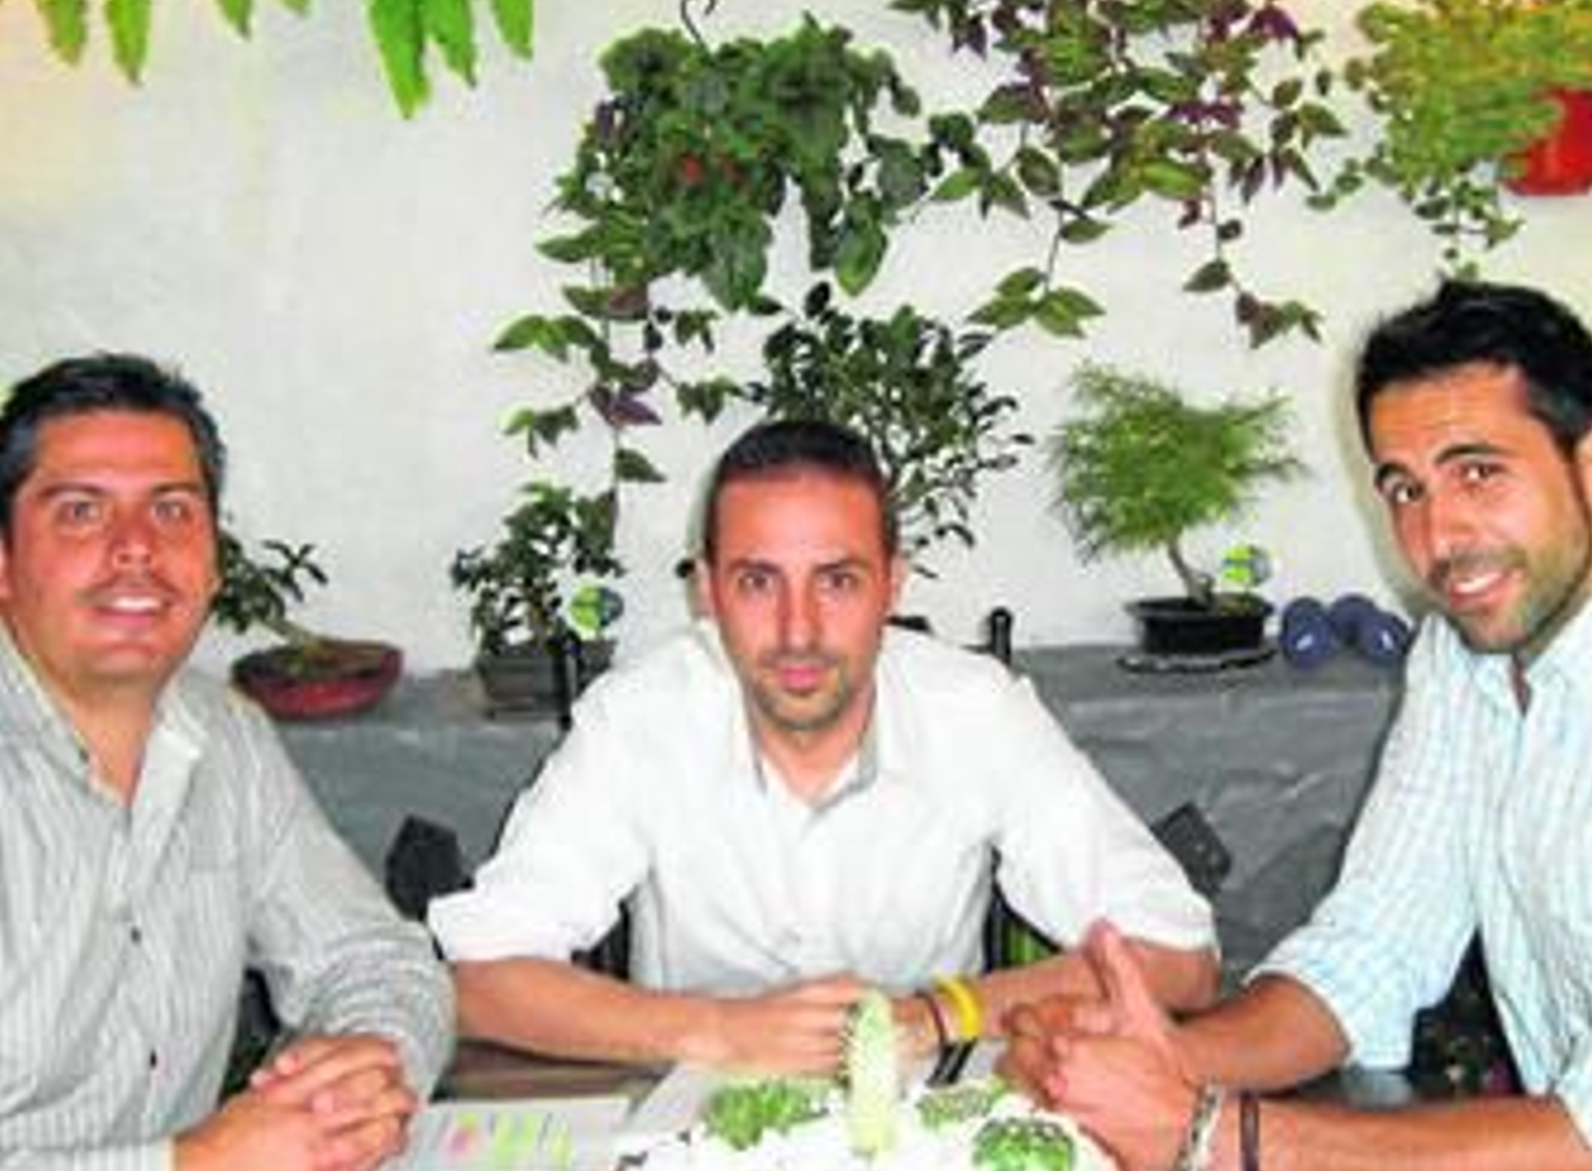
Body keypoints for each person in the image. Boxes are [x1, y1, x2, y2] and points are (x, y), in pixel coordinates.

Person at [1002, 279, 1592, 1171]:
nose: (1438, 538)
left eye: (1478, 473)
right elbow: (1369, 949)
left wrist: (1205, 1130)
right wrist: (1167, 1056)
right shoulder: (1459, 664)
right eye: (1404, 488)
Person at [430, 418, 1216, 1076]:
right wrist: (718, 1029)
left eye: (836, 581)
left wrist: (940, 1012)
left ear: (893, 584)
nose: (798, 631)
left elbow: (1178, 955)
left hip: (934, 1133)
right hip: (693, 1139)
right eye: (757, 582)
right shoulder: (638, 718)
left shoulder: (977, 711)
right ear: (706, 591)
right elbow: (479, 978)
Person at [0, 354, 453, 1171]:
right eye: (80, 510)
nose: (134, 548)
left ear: (211, 555)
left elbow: (379, 959)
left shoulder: (226, 739)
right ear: (2, 561)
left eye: (171, 509)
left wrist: (359, 1081)